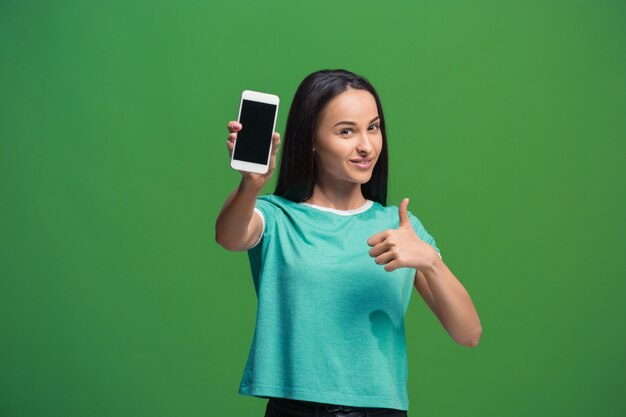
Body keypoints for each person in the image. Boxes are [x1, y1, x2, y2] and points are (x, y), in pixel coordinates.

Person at [215, 69, 482, 417]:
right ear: (310, 139)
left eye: (373, 127)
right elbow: (229, 237)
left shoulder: (400, 227)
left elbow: (468, 333)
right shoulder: (275, 216)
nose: (366, 146)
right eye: (346, 131)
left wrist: (430, 260)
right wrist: (251, 185)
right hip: (296, 411)